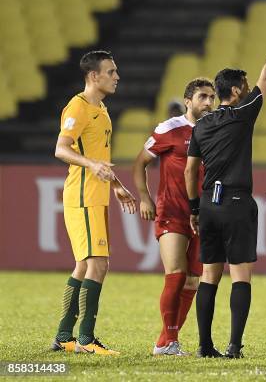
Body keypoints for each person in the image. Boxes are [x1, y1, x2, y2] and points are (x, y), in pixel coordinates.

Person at [185, 17, 266, 359]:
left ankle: (204, 346)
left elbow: (190, 169)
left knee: (208, 277)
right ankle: (233, 346)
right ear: (234, 92)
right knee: (241, 277)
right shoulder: (242, 114)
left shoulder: (201, 126)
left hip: (208, 205)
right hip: (236, 204)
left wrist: (193, 208)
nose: (248, 89)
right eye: (243, 86)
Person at [51, 50, 137, 355]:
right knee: (98, 264)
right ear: (93, 76)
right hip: (83, 195)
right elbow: (61, 148)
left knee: (84, 265)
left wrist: (117, 185)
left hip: (97, 195)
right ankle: (86, 340)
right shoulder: (78, 107)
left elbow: (101, 160)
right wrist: (91, 165)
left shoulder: (100, 108)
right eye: (111, 72)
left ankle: (64, 336)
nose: (117, 77)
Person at [133, 78, 215, 356]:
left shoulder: (215, 130)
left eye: (212, 97)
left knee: (193, 281)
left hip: (202, 215)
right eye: (202, 97)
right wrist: (145, 197)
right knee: (176, 275)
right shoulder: (170, 128)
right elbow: (140, 163)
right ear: (188, 101)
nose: (208, 102)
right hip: (172, 211)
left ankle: (164, 342)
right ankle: (171, 342)